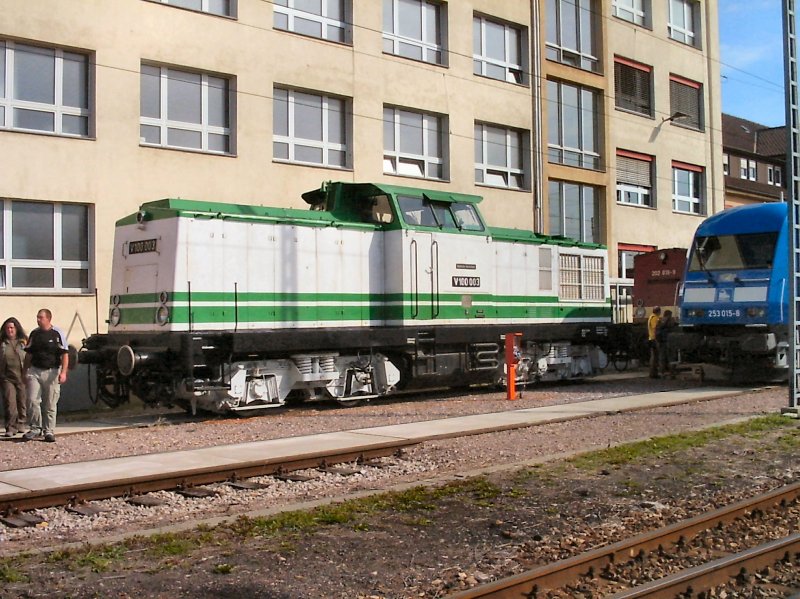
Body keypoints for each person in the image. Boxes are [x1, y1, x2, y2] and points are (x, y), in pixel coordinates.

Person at [22, 309, 68, 443]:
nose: (38, 320)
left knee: (50, 403)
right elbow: (28, 354)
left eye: (41, 317)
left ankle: (49, 430)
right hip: (35, 371)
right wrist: (25, 371)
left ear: (48, 318)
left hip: (52, 372)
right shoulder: (34, 334)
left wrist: (64, 372)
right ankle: (35, 428)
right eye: (37, 317)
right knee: (32, 400)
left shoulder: (57, 333)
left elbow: (65, 354)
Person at [0, 317, 28, 437]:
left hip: (22, 376)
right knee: (10, 402)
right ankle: (10, 427)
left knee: (22, 401)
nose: (10, 330)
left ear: (16, 329)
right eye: (7, 328)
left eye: (12, 328)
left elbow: (29, 356)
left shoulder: (23, 342)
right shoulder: (2, 343)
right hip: (7, 377)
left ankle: (21, 423)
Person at [656, 309, 676, 377]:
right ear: (669, 315)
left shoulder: (660, 320)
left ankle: (662, 372)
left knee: (662, 357)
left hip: (661, 341)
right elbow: (673, 329)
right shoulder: (671, 321)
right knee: (671, 358)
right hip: (669, 341)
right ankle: (672, 373)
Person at [647, 306, 662, 378]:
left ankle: (653, 373)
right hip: (654, 339)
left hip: (651, 338)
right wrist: (657, 340)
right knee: (655, 357)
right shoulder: (654, 318)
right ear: (658, 312)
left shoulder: (651, 317)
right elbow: (655, 328)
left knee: (654, 356)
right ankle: (653, 373)